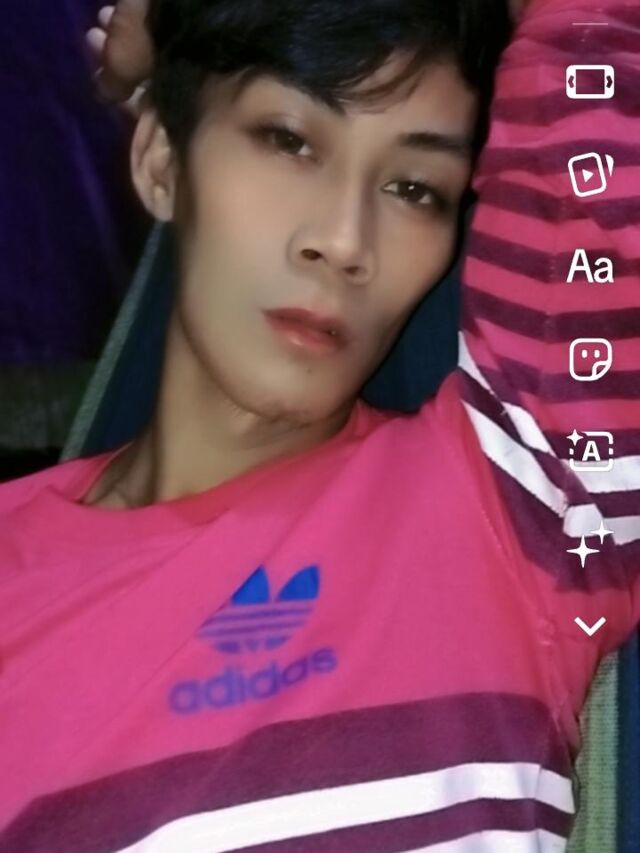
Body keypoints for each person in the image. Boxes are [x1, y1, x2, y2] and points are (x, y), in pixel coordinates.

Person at [1, 0, 638, 850]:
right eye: (288, 140)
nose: (344, 241)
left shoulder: (517, 505)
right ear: (160, 160)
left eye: (414, 189)